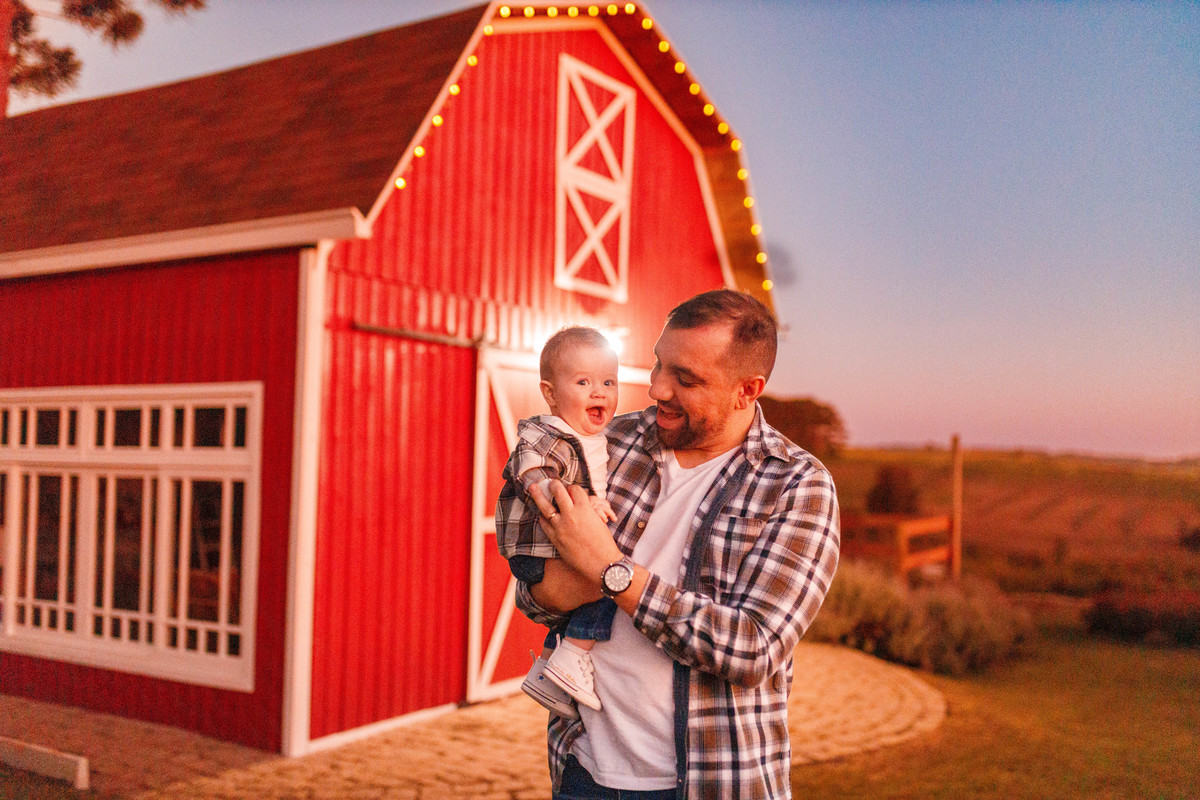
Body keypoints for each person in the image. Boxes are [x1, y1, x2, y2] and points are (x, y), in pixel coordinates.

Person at [516, 289, 840, 799]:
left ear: (746, 389)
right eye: (658, 365)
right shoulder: (608, 443)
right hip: (583, 770)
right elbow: (534, 592)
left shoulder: (798, 485)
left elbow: (752, 649)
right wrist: (556, 581)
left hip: (710, 782)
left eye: (685, 378)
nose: (658, 389)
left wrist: (610, 571)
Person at [495, 326, 622, 717]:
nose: (598, 391)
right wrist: (567, 498)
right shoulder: (547, 433)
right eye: (583, 381)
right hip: (538, 544)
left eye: (608, 382)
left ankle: (549, 667)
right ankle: (572, 656)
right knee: (614, 579)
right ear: (549, 393)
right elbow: (531, 472)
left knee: (603, 578)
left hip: (556, 545)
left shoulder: (604, 439)